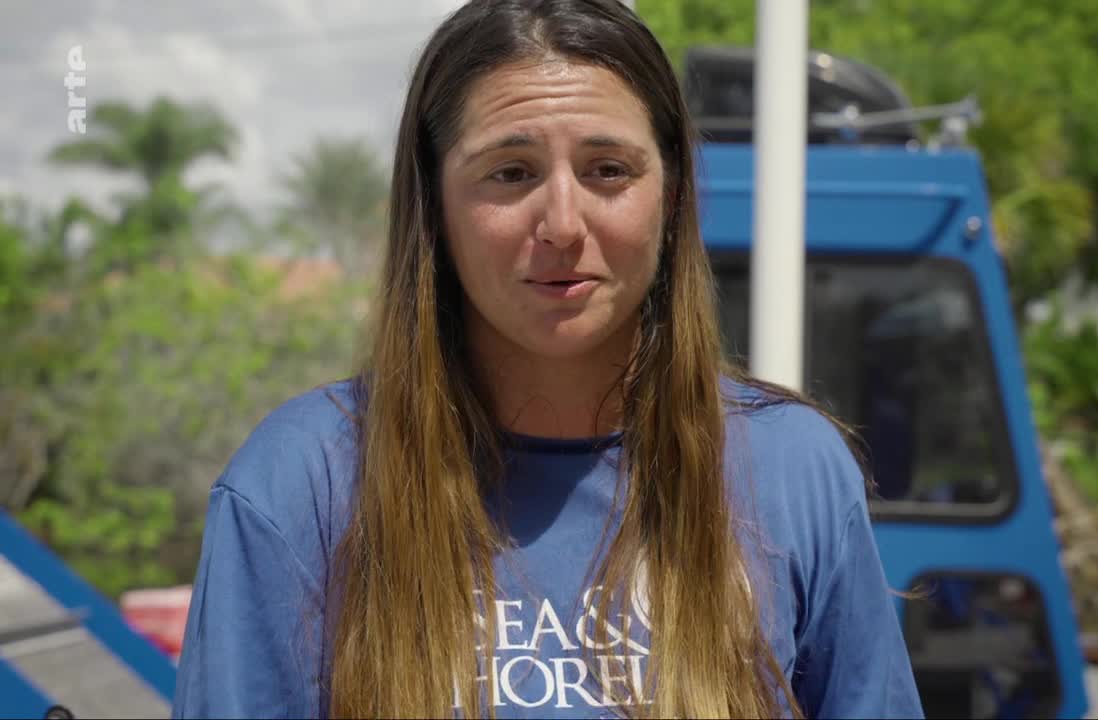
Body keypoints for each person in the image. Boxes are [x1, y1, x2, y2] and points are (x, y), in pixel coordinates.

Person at [171, 1, 924, 718]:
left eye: (607, 170)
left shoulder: (795, 471)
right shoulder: (302, 483)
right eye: (511, 172)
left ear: (671, 195)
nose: (562, 223)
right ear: (434, 205)